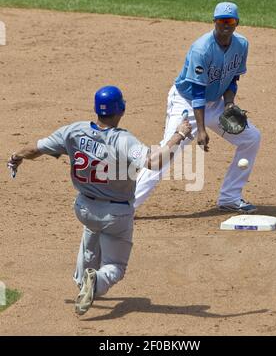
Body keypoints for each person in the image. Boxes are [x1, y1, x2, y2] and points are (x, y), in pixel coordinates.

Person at [7, 85, 191, 315]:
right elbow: (153, 162)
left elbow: (36, 149)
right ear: (121, 109)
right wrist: (179, 134)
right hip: (115, 216)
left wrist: (16, 157)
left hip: (84, 208)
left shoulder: (73, 131)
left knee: (93, 228)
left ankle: (82, 278)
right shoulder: (123, 140)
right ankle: (97, 281)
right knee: (115, 266)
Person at [134, 2, 261, 213]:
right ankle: (126, 207)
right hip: (186, 102)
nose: (225, 25)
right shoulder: (201, 49)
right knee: (168, 152)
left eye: (229, 21)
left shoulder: (242, 45)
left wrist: (229, 104)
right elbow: (197, 92)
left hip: (215, 103)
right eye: (221, 21)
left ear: (237, 23)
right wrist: (200, 130)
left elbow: (232, 79)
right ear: (214, 22)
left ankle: (230, 197)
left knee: (251, 138)